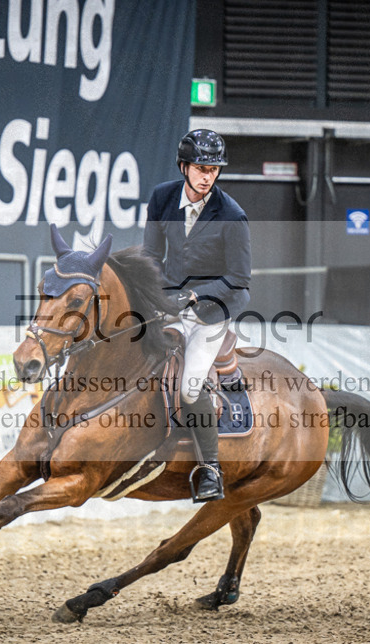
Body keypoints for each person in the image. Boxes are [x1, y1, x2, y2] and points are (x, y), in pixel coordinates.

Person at [142, 129, 252, 503]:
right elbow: (151, 256)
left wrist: (195, 294)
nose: (208, 176)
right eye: (201, 168)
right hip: (171, 302)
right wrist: (153, 294)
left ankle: (211, 470)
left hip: (212, 309)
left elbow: (240, 278)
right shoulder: (161, 197)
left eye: (214, 170)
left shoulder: (233, 215)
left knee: (190, 386)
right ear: (184, 166)